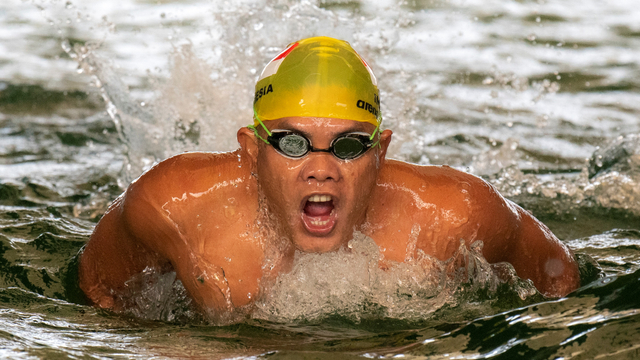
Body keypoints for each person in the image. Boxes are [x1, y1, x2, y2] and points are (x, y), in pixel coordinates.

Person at [78, 36, 580, 315]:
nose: (321, 170)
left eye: (348, 145)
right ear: (252, 152)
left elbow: (565, 285)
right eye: (293, 144)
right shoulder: (174, 204)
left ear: (380, 153)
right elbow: (96, 295)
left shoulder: (453, 214)